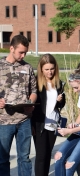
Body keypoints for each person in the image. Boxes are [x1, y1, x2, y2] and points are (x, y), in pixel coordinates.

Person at [0, 35, 37, 176]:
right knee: (2, 159)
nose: (23, 55)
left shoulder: (27, 67)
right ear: (11, 48)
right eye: (20, 52)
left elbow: (33, 91)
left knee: (24, 158)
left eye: (25, 52)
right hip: (4, 122)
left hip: (24, 121)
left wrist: (30, 102)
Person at [31, 54, 66, 176]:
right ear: (41, 69)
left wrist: (60, 101)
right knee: (41, 156)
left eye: (52, 69)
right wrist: (32, 125)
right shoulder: (36, 83)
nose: (50, 72)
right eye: (47, 69)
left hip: (53, 123)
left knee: (48, 155)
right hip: (40, 123)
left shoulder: (59, 84)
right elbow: (33, 107)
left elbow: (60, 106)